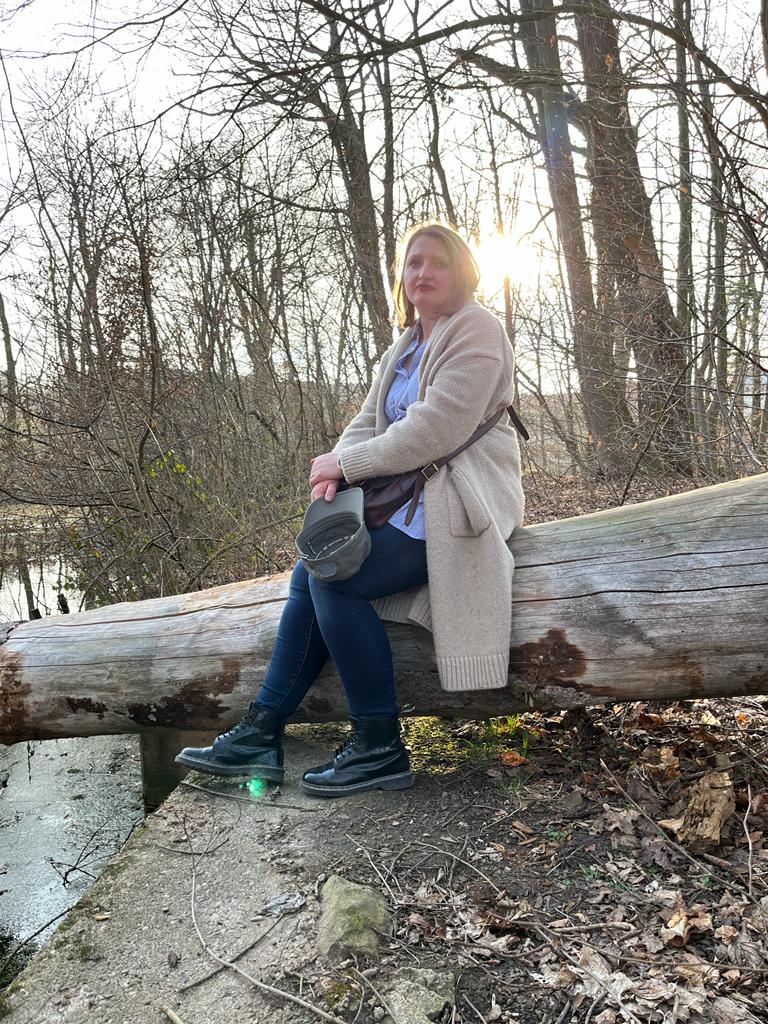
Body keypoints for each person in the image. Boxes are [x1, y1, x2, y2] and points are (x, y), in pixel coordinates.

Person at [176, 221, 525, 797]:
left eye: (438, 262)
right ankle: (261, 732)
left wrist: (349, 466)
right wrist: (332, 473)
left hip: (460, 502)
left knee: (337, 581)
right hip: (408, 500)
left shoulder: (476, 329)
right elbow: (368, 421)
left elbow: (435, 428)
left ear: (462, 271)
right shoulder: (405, 345)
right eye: (414, 262)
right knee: (309, 570)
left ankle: (379, 745)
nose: (423, 273)